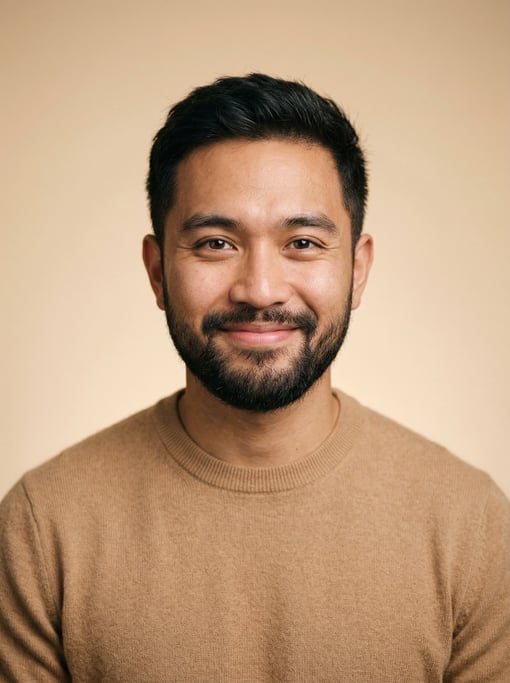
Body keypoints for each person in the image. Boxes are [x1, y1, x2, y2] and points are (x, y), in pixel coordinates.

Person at [0, 74, 508, 682]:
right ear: (158, 272)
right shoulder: (43, 526)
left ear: (358, 268)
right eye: (216, 242)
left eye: (302, 242)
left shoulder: (471, 527)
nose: (260, 289)